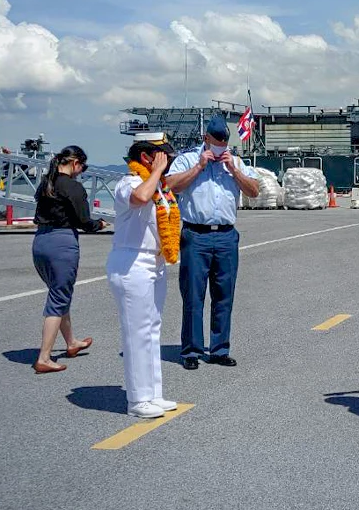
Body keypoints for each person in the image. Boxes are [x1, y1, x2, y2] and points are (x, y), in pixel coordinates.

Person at [164, 115, 261, 370]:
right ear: (206, 139)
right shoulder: (187, 158)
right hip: (196, 235)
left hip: (227, 235)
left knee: (224, 295)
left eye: (224, 144)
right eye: (216, 143)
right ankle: (192, 350)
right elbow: (171, 185)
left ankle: (219, 349)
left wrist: (234, 171)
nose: (220, 148)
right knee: (194, 296)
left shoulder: (235, 161)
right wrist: (199, 166)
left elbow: (254, 191)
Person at [108, 133, 181, 419]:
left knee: (152, 330)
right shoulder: (130, 182)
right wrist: (158, 171)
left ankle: (153, 393)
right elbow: (139, 198)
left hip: (154, 263)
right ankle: (137, 400)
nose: (167, 162)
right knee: (137, 332)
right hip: (131, 263)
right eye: (161, 157)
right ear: (145, 157)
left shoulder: (158, 186)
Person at [31, 145, 106, 374]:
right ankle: (44, 357)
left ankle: (71, 342)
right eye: (81, 167)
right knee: (58, 297)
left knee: (59, 293)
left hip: (40, 241)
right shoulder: (72, 186)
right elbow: (84, 220)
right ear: (75, 164)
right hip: (62, 242)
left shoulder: (47, 183)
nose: (81, 172)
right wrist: (99, 224)